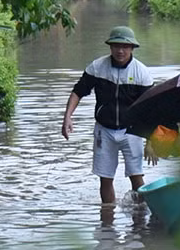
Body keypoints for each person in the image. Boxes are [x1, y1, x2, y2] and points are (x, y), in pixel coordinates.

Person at [62, 25, 154, 204]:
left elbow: (151, 109)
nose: (120, 50)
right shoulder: (97, 67)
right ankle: (107, 222)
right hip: (104, 129)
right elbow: (78, 92)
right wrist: (67, 117)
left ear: (132, 48)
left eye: (125, 46)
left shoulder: (141, 73)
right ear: (110, 47)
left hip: (132, 130)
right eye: (116, 46)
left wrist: (151, 141)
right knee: (105, 178)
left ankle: (141, 218)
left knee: (136, 176)